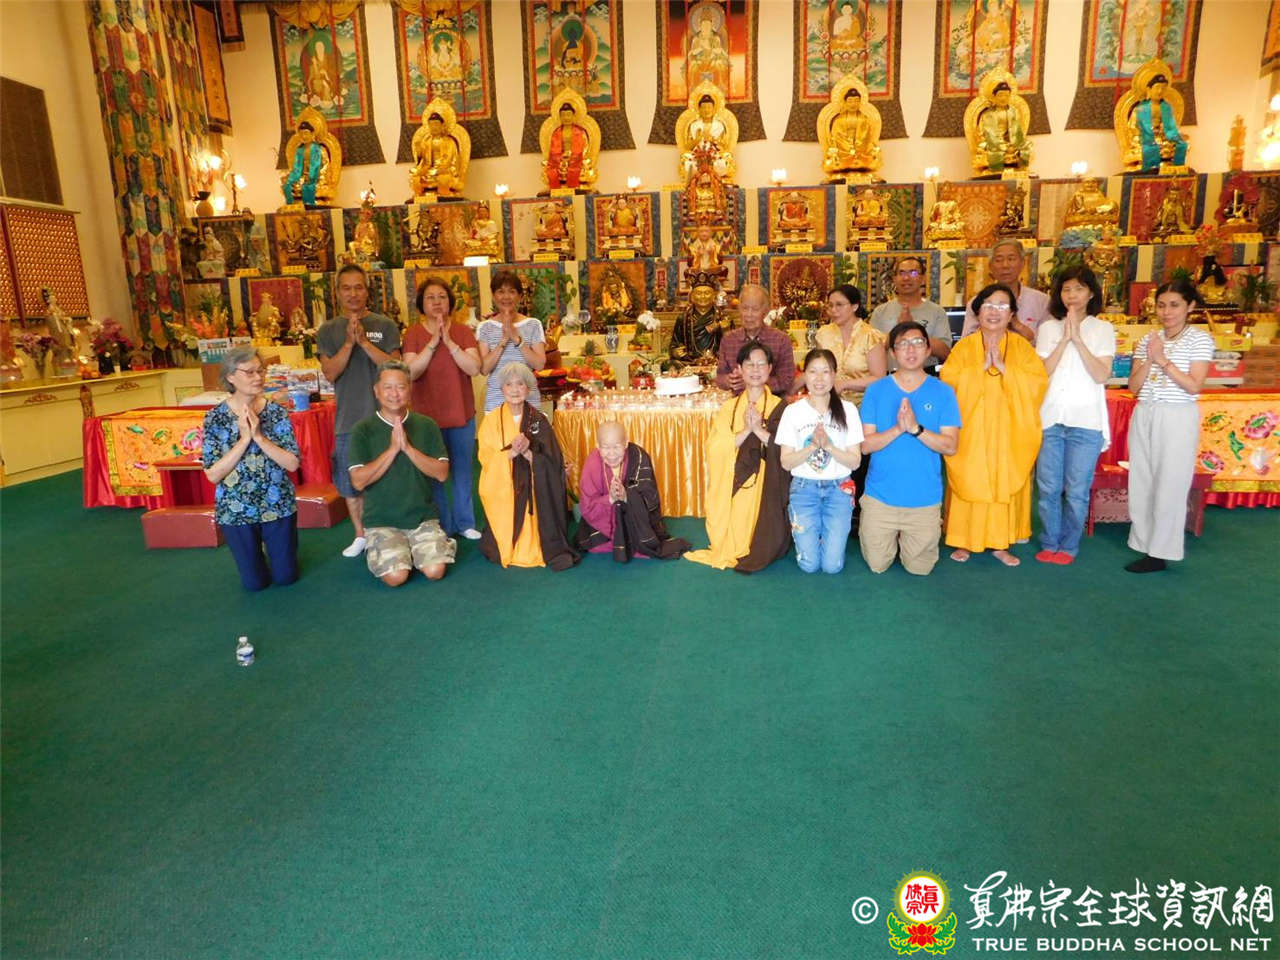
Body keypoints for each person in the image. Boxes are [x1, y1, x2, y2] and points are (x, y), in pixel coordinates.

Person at [940, 283, 1048, 567]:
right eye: (988, 305)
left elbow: (1038, 385)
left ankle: (1000, 543)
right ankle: (964, 540)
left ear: (1012, 314)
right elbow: (948, 383)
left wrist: (1005, 370)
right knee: (970, 477)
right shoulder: (964, 347)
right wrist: (979, 371)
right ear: (977, 312)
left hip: (1008, 431)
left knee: (1003, 478)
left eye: (1002, 306)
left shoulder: (1022, 348)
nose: (994, 311)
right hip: (972, 430)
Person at [1124, 278, 1214, 572]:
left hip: (1177, 415)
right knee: (1142, 480)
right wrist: (1150, 359)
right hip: (1145, 411)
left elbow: (1194, 385)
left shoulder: (1199, 339)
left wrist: (1162, 360)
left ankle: (1161, 552)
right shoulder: (1148, 339)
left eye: (1174, 305)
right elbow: (1134, 386)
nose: (1167, 312)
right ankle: (1142, 542)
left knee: (1170, 484)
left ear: (1190, 306)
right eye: (1161, 305)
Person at [858, 322, 961, 575]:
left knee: (920, 568)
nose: (911, 349)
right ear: (893, 353)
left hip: (923, 500)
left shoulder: (944, 392)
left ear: (928, 350)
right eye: (903, 344)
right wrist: (898, 429)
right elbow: (865, 445)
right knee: (877, 565)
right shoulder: (876, 390)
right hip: (880, 498)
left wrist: (916, 429)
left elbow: (950, 446)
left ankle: (910, 538)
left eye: (917, 343)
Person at [317, 264, 402, 558]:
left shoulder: (385, 325)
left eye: (358, 287)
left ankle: (390, 530)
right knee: (351, 482)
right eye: (346, 288)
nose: (353, 293)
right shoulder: (328, 330)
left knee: (390, 477)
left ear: (367, 291)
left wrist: (364, 342)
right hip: (348, 419)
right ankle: (361, 534)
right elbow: (330, 372)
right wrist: (349, 343)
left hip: (385, 417)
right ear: (338, 293)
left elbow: (395, 367)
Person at [1034, 266, 1116, 565]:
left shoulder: (1102, 329)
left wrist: (1078, 339)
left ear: (1091, 293)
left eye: (1079, 289)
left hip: (1086, 421)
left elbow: (1101, 375)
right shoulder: (1048, 328)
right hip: (1050, 418)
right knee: (1048, 488)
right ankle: (1049, 541)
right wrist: (1063, 339)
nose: (1072, 295)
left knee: (1077, 490)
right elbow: (1042, 373)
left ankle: (1069, 545)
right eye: (1066, 289)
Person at [348, 362, 456, 587]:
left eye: (400, 387)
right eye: (388, 387)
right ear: (376, 391)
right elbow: (358, 482)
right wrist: (392, 450)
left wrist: (407, 448)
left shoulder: (426, 425)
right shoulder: (362, 429)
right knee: (397, 577)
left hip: (422, 517)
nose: (394, 394)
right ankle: (390, 550)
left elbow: (442, 474)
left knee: (435, 571)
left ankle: (417, 549)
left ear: (409, 389)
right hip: (381, 520)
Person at [684, 342, 790, 572]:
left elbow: (787, 450)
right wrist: (746, 431)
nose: (755, 369)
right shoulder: (729, 408)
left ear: (770, 368)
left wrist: (759, 431)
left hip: (766, 483)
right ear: (740, 369)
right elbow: (715, 447)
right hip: (735, 481)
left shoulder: (781, 408)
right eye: (749, 364)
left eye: (761, 364)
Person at [201, 346, 300, 592]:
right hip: (236, 509)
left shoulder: (276, 412)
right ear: (230, 377)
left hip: (277, 504)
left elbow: (292, 463)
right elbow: (213, 474)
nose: (258, 377)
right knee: (255, 584)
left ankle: (276, 552)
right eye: (249, 372)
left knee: (286, 577)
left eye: (260, 371)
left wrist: (259, 437)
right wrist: (244, 439)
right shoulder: (215, 418)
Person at [476, 362, 578, 571]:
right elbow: (486, 459)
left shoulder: (538, 420)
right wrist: (511, 454)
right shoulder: (491, 421)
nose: (515, 389)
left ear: (528, 388)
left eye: (520, 384)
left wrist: (529, 454)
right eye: (509, 384)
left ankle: (538, 541)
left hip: (534, 492)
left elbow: (552, 459)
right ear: (502, 388)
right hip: (505, 490)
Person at [403, 277, 483, 541]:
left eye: (442, 297)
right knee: (434, 474)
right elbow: (410, 372)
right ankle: (441, 524)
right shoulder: (413, 334)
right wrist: (433, 342)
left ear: (450, 302)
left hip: (461, 414)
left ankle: (465, 522)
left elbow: (474, 368)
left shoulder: (462, 331)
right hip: (426, 419)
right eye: (430, 297)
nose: (437, 302)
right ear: (421, 304)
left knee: (462, 471)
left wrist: (449, 342)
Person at [776, 349, 863, 574]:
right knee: (809, 565)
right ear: (804, 375)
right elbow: (786, 462)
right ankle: (815, 535)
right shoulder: (793, 412)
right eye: (813, 372)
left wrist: (829, 446)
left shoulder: (848, 410)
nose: (819, 378)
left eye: (825, 371)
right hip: (804, 489)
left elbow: (855, 462)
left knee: (832, 566)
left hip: (839, 489)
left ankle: (827, 535)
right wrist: (812, 446)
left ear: (834, 375)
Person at [574, 421, 691, 561]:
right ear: (598, 446)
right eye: (605, 447)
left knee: (638, 541)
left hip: (634, 522)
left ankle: (629, 538)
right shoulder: (592, 463)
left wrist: (626, 496)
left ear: (626, 443)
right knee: (597, 545)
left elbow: (650, 497)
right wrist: (610, 499)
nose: (611, 454)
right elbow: (587, 506)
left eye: (617, 447)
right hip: (604, 525)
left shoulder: (639, 457)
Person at [476, 271, 547, 413]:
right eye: (501, 292)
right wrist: (503, 340)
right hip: (496, 403)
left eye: (512, 292)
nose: (506, 297)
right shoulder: (485, 327)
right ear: (493, 296)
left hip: (529, 402)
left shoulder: (533, 324)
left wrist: (517, 339)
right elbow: (484, 369)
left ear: (520, 296)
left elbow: (539, 364)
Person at [868, 256, 952, 370]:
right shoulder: (880, 312)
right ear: (894, 279)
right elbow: (870, 351)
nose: (906, 278)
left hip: (925, 374)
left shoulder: (937, 311)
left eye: (913, 273)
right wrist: (899, 330)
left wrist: (913, 330)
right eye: (901, 273)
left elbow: (945, 352)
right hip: (889, 375)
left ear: (922, 278)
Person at [961, 239, 1050, 340]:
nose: (1005, 265)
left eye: (1011, 259)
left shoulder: (1041, 301)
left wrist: (1018, 325)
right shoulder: (977, 302)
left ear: (1022, 263)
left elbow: (1048, 342)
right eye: (998, 260)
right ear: (990, 266)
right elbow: (966, 342)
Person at [715, 283, 795, 395]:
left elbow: (787, 381)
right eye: (745, 308)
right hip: (737, 402)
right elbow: (720, 377)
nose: (749, 314)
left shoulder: (781, 340)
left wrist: (753, 382)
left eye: (755, 309)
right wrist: (729, 381)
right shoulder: (728, 340)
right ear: (739, 309)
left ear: (765, 312)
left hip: (771, 402)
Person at [814, 283, 885, 403]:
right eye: (830, 305)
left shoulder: (871, 336)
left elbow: (879, 379)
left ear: (854, 306)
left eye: (839, 305)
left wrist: (844, 384)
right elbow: (818, 369)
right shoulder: (823, 334)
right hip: (830, 402)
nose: (833, 310)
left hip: (864, 404)